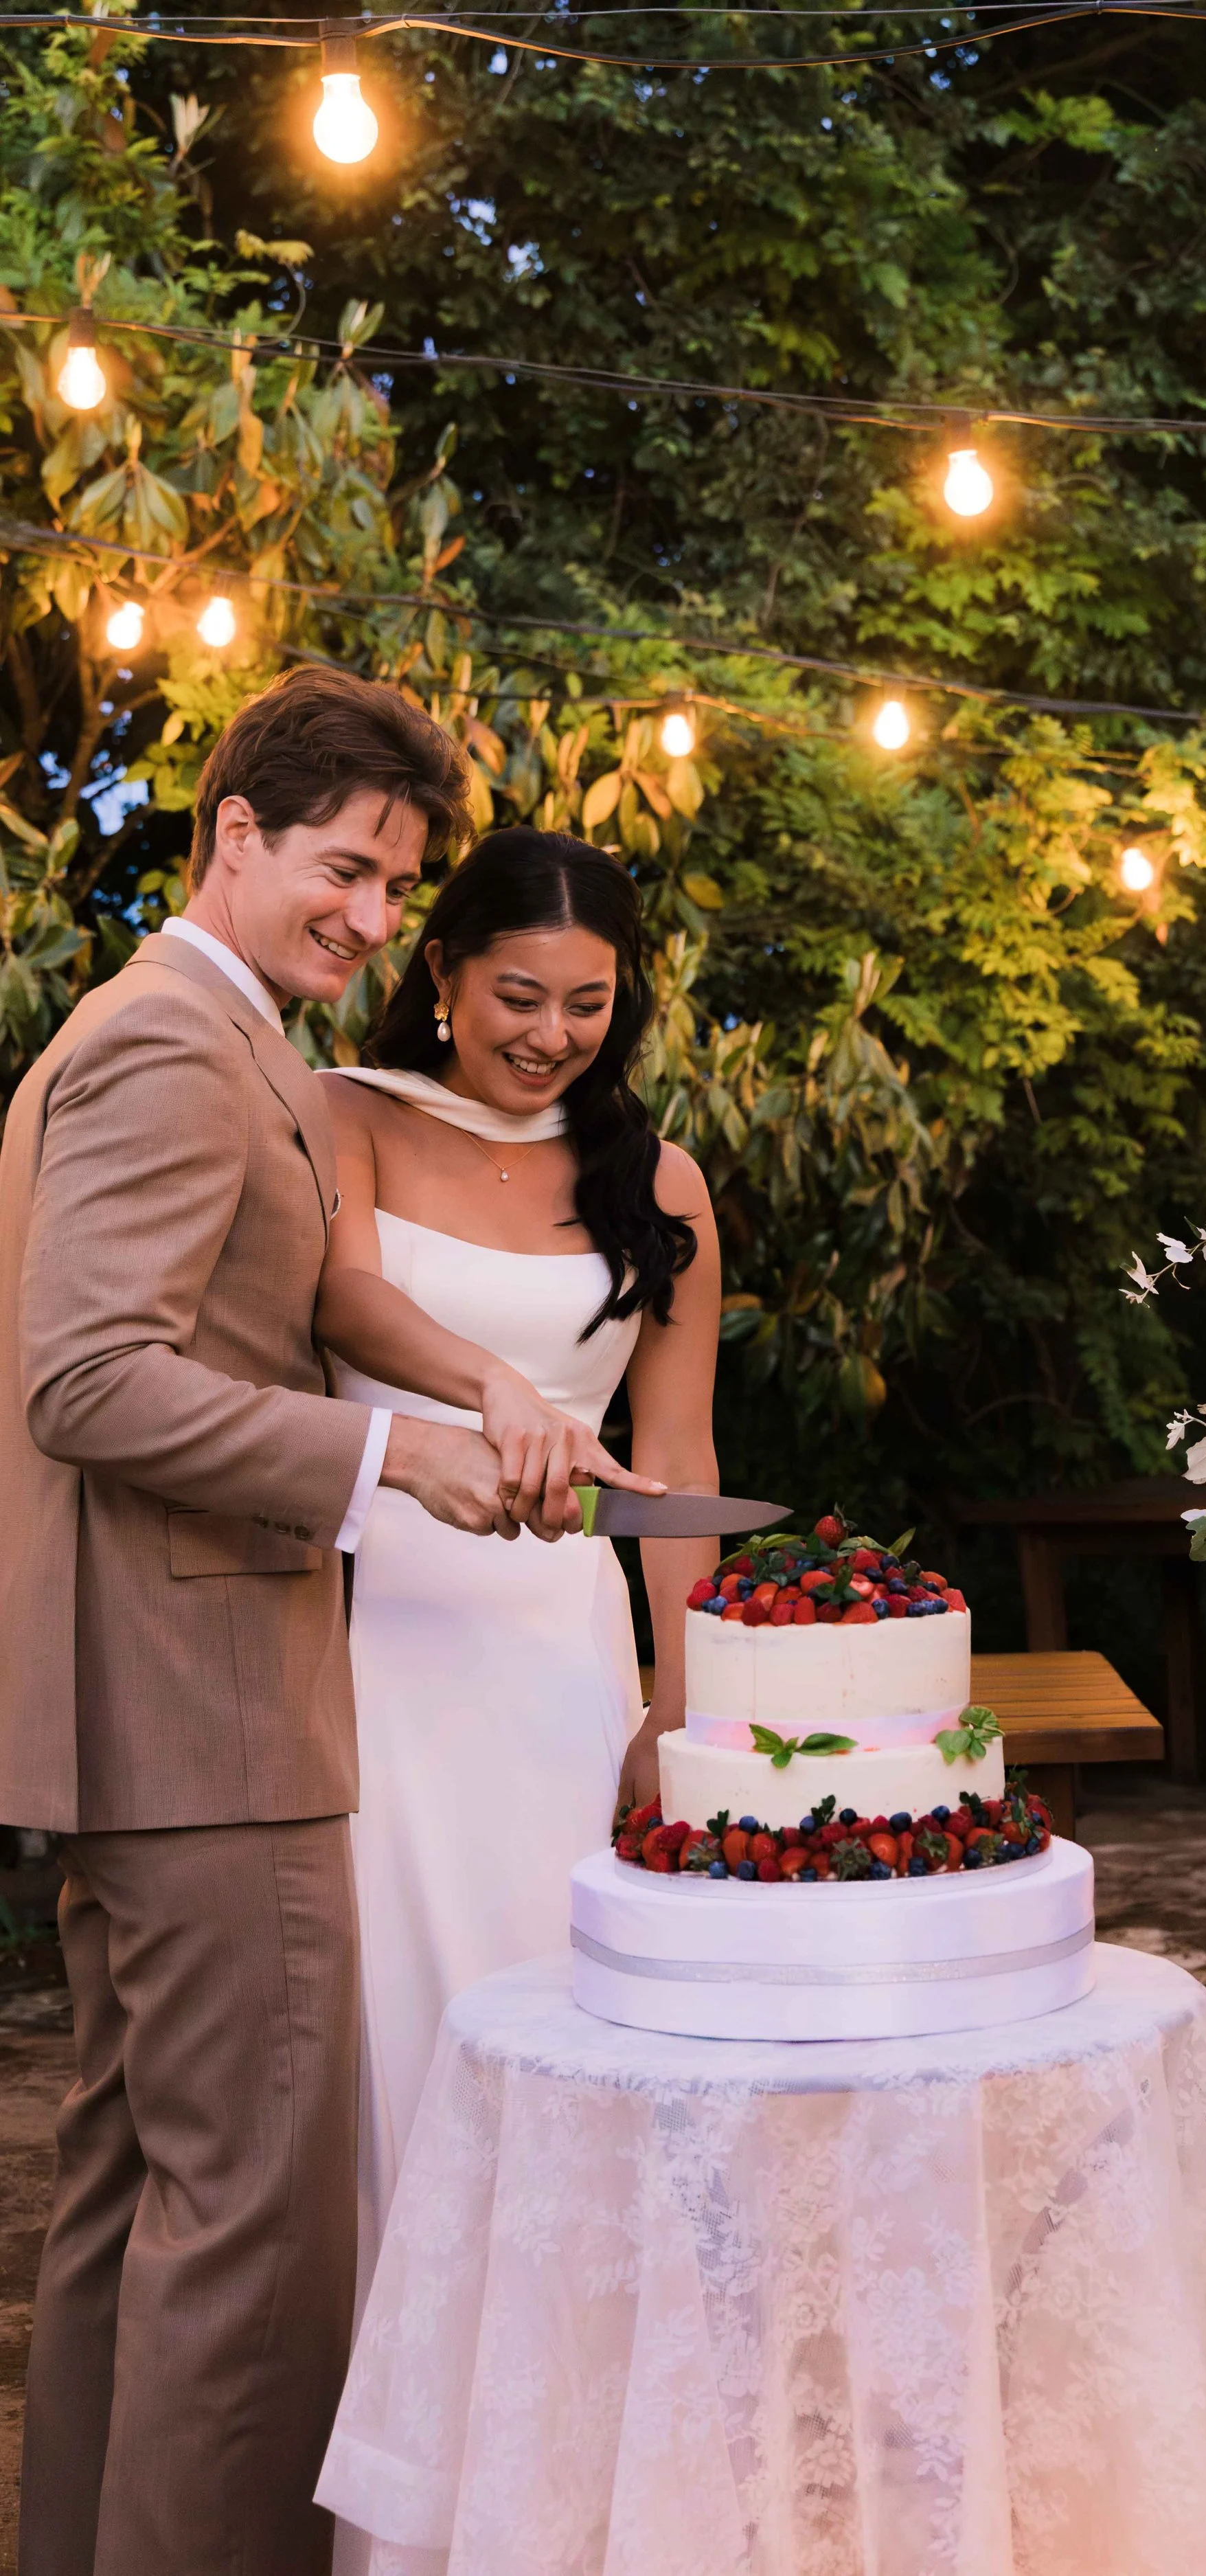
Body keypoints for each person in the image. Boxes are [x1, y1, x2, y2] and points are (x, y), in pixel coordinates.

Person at [0, 668, 548, 2576]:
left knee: (133, 2204)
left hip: (155, 1715)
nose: (373, 921)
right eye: (344, 870)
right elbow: (87, 1379)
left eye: (397, 888)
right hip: (205, 1711)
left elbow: (247, 1305)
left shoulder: (194, 1030)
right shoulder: (172, 1046)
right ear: (233, 830)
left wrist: (452, 1394)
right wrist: (385, 1457)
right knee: (258, 2244)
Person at [307, 828, 720, 2391]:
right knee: (405, 2049)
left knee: (579, 2051)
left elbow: (674, 1461)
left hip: (562, 1660)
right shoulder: (340, 1120)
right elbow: (346, 1301)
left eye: (587, 1004)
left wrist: (675, 1708)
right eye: (518, 995)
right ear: (439, 976)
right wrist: (489, 1390)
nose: (550, 1034)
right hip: (381, 1648)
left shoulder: (653, 1179)